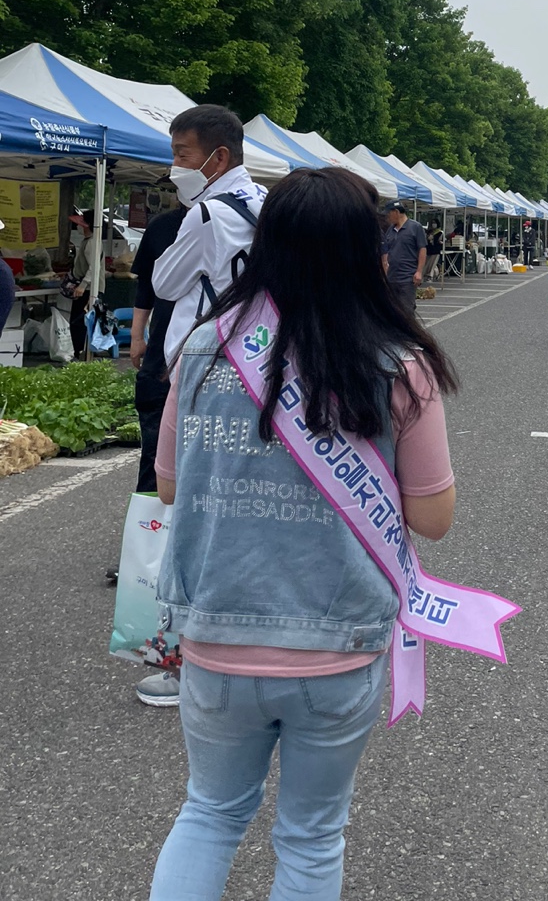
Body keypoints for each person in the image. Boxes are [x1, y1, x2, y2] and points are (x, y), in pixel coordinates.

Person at [147, 167, 458, 901]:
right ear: (367, 250)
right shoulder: (396, 362)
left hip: (217, 634)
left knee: (210, 813)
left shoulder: (202, 349)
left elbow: (169, 485)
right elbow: (434, 518)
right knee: (313, 835)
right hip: (337, 643)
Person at [153, 106, 266, 371]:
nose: (175, 166)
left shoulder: (207, 214)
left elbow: (164, 285)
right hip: (253, 349)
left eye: (182, 155)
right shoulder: (265, 199)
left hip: (205, 358)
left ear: (220, 158)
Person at [130, 205, 187, 497]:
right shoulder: (161, 226)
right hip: (161, 351)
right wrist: (137, 335)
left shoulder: (234, 219)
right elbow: (145, 286)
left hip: (213, 355)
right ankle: (149, 527)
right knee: (154, 449)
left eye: (184, 158)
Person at [380, 201, 427, 312]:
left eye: (389, 214)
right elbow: (386, 250)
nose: (388, 217)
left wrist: (419, 271)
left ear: (396, 212)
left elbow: (422, 249)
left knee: (406, 310)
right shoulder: (390, 230)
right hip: (391, 277)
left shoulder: (415, 227)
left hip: (408, 277)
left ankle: (409, 328)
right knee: (394, 310)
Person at [67, 209, 98, 357]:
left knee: (78, 322)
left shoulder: (92, 243)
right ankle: (79, 350)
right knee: (77, 321)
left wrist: (83, 285)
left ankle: (78, 351)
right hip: (84, 287)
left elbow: (94, 267)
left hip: (88, 289)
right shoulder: (88, 241)